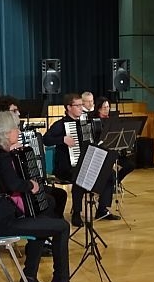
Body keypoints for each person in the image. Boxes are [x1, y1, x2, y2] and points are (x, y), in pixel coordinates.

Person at [0, 111, 83, 282]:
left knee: (40, 221)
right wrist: (31, 185)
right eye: (15, 128)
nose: (18, 132)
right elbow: (13, 185)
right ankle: (60, 280)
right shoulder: (2, 157)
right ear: (4, 133)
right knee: (62, 227)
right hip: (2, 221)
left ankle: (29, 277)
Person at [43, 92, 117, 225]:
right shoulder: (61, 124)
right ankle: (76, 213)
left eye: (81, 105)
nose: (81, 108)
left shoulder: (86, 122)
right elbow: (46, 139)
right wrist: (62, 139)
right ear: (68, 107)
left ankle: (102, 209)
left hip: (85, 163)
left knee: (109, 173)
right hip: (66, 167)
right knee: (80, 176)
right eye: (77, 105)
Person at [94, 96, 134, 186]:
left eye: (108, 107)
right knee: (109, 170)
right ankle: (110, 184)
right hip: (102, 153)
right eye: (104, 107)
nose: (107, 109)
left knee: (130, 165)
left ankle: (115, 182)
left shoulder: (113, 119)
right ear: (99, 109)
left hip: (115, 151)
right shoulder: (95, 122)